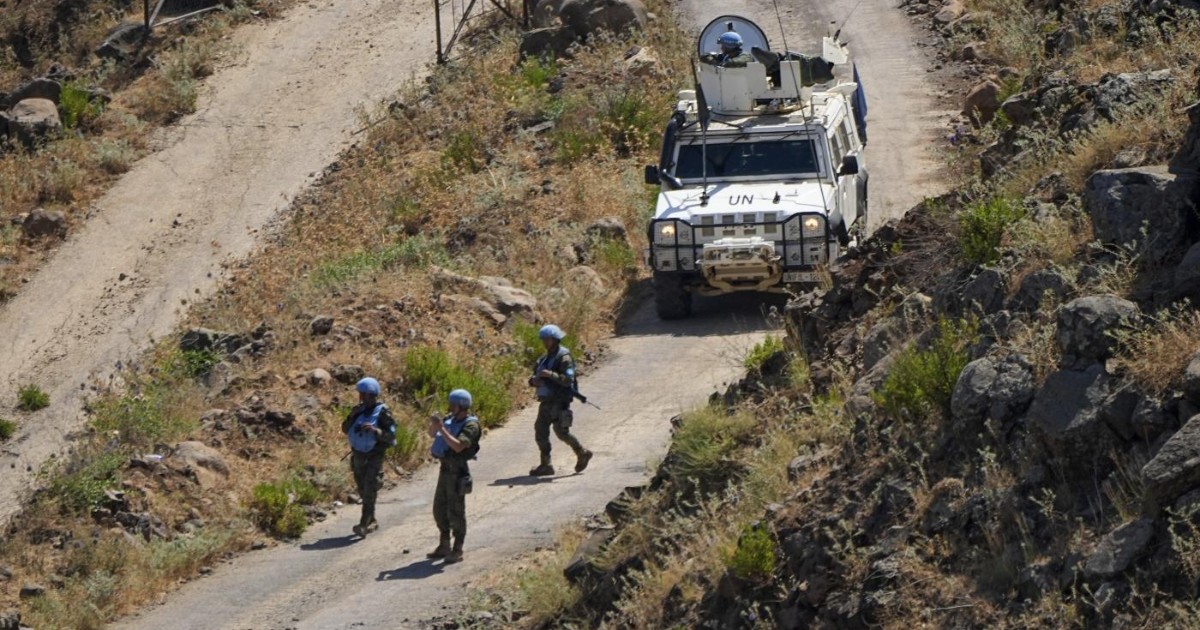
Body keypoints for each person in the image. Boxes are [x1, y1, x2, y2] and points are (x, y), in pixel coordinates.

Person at [527, 324, 592, 477]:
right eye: (543, 340)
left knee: (561, 432)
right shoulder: (544, 358)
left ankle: (582, 453)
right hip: (546, 401)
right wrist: (533, 381)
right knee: (540, 431)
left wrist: (550, 375)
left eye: (547, 339)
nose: (545, 342)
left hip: (558, 400)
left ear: (555, 340)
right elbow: (534, 376)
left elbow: (567, 380)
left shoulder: (564, 358)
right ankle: (546, 464)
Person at [426, 389, 482, 564]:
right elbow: (432, 434)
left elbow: (458, 447)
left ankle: (457, 548)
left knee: (456, 511)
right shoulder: (450, 421)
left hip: (458, 471)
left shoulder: (471, 425)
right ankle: (444, 544)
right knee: (439, 509)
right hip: (445, 469)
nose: (450, 407)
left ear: (462, 406)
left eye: (453, 405)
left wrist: (442, 428)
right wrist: (436, 425)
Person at [341, 377, 397, 537]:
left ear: (372, 395)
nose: (361, 398)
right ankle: (372, 520)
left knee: (370, 487)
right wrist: (351, 417)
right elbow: (345, 429)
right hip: (358, 455)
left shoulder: (383, 412)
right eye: (360, 395)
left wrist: (375, 431)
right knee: (362, 488)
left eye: (364, 395)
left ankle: (364, 523)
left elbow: (391, 436)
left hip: (374, 455)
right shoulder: (358, 410)